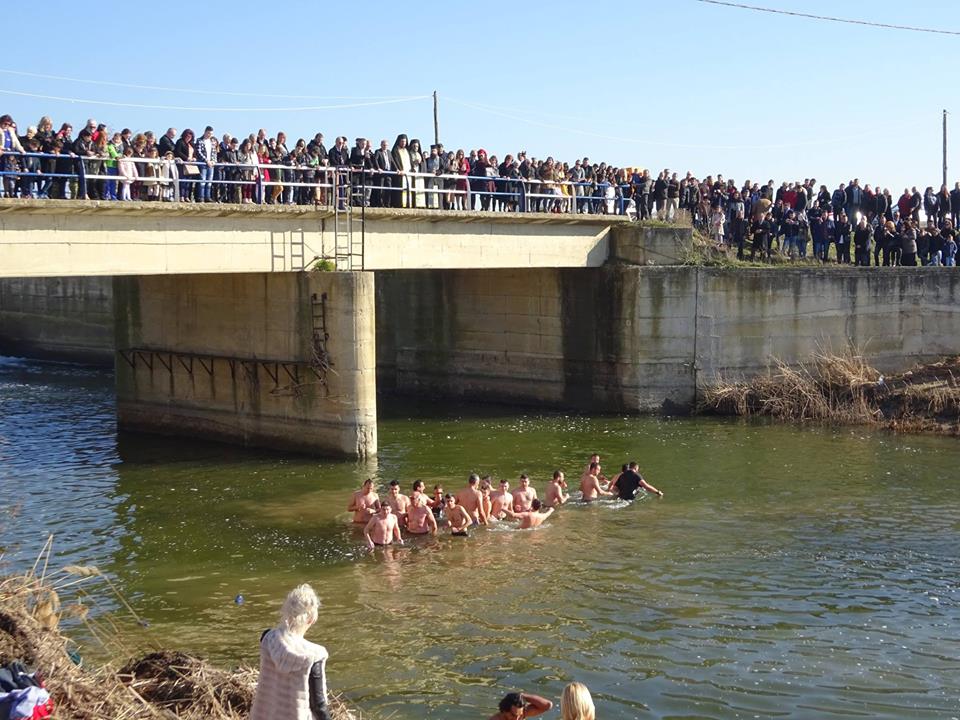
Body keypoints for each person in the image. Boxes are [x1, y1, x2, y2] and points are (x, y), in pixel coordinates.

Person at [249, 583, 330, 720]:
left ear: (286, 610)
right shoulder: (315, 654)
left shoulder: (268, 638)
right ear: (312, 619)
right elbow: (318, 705)